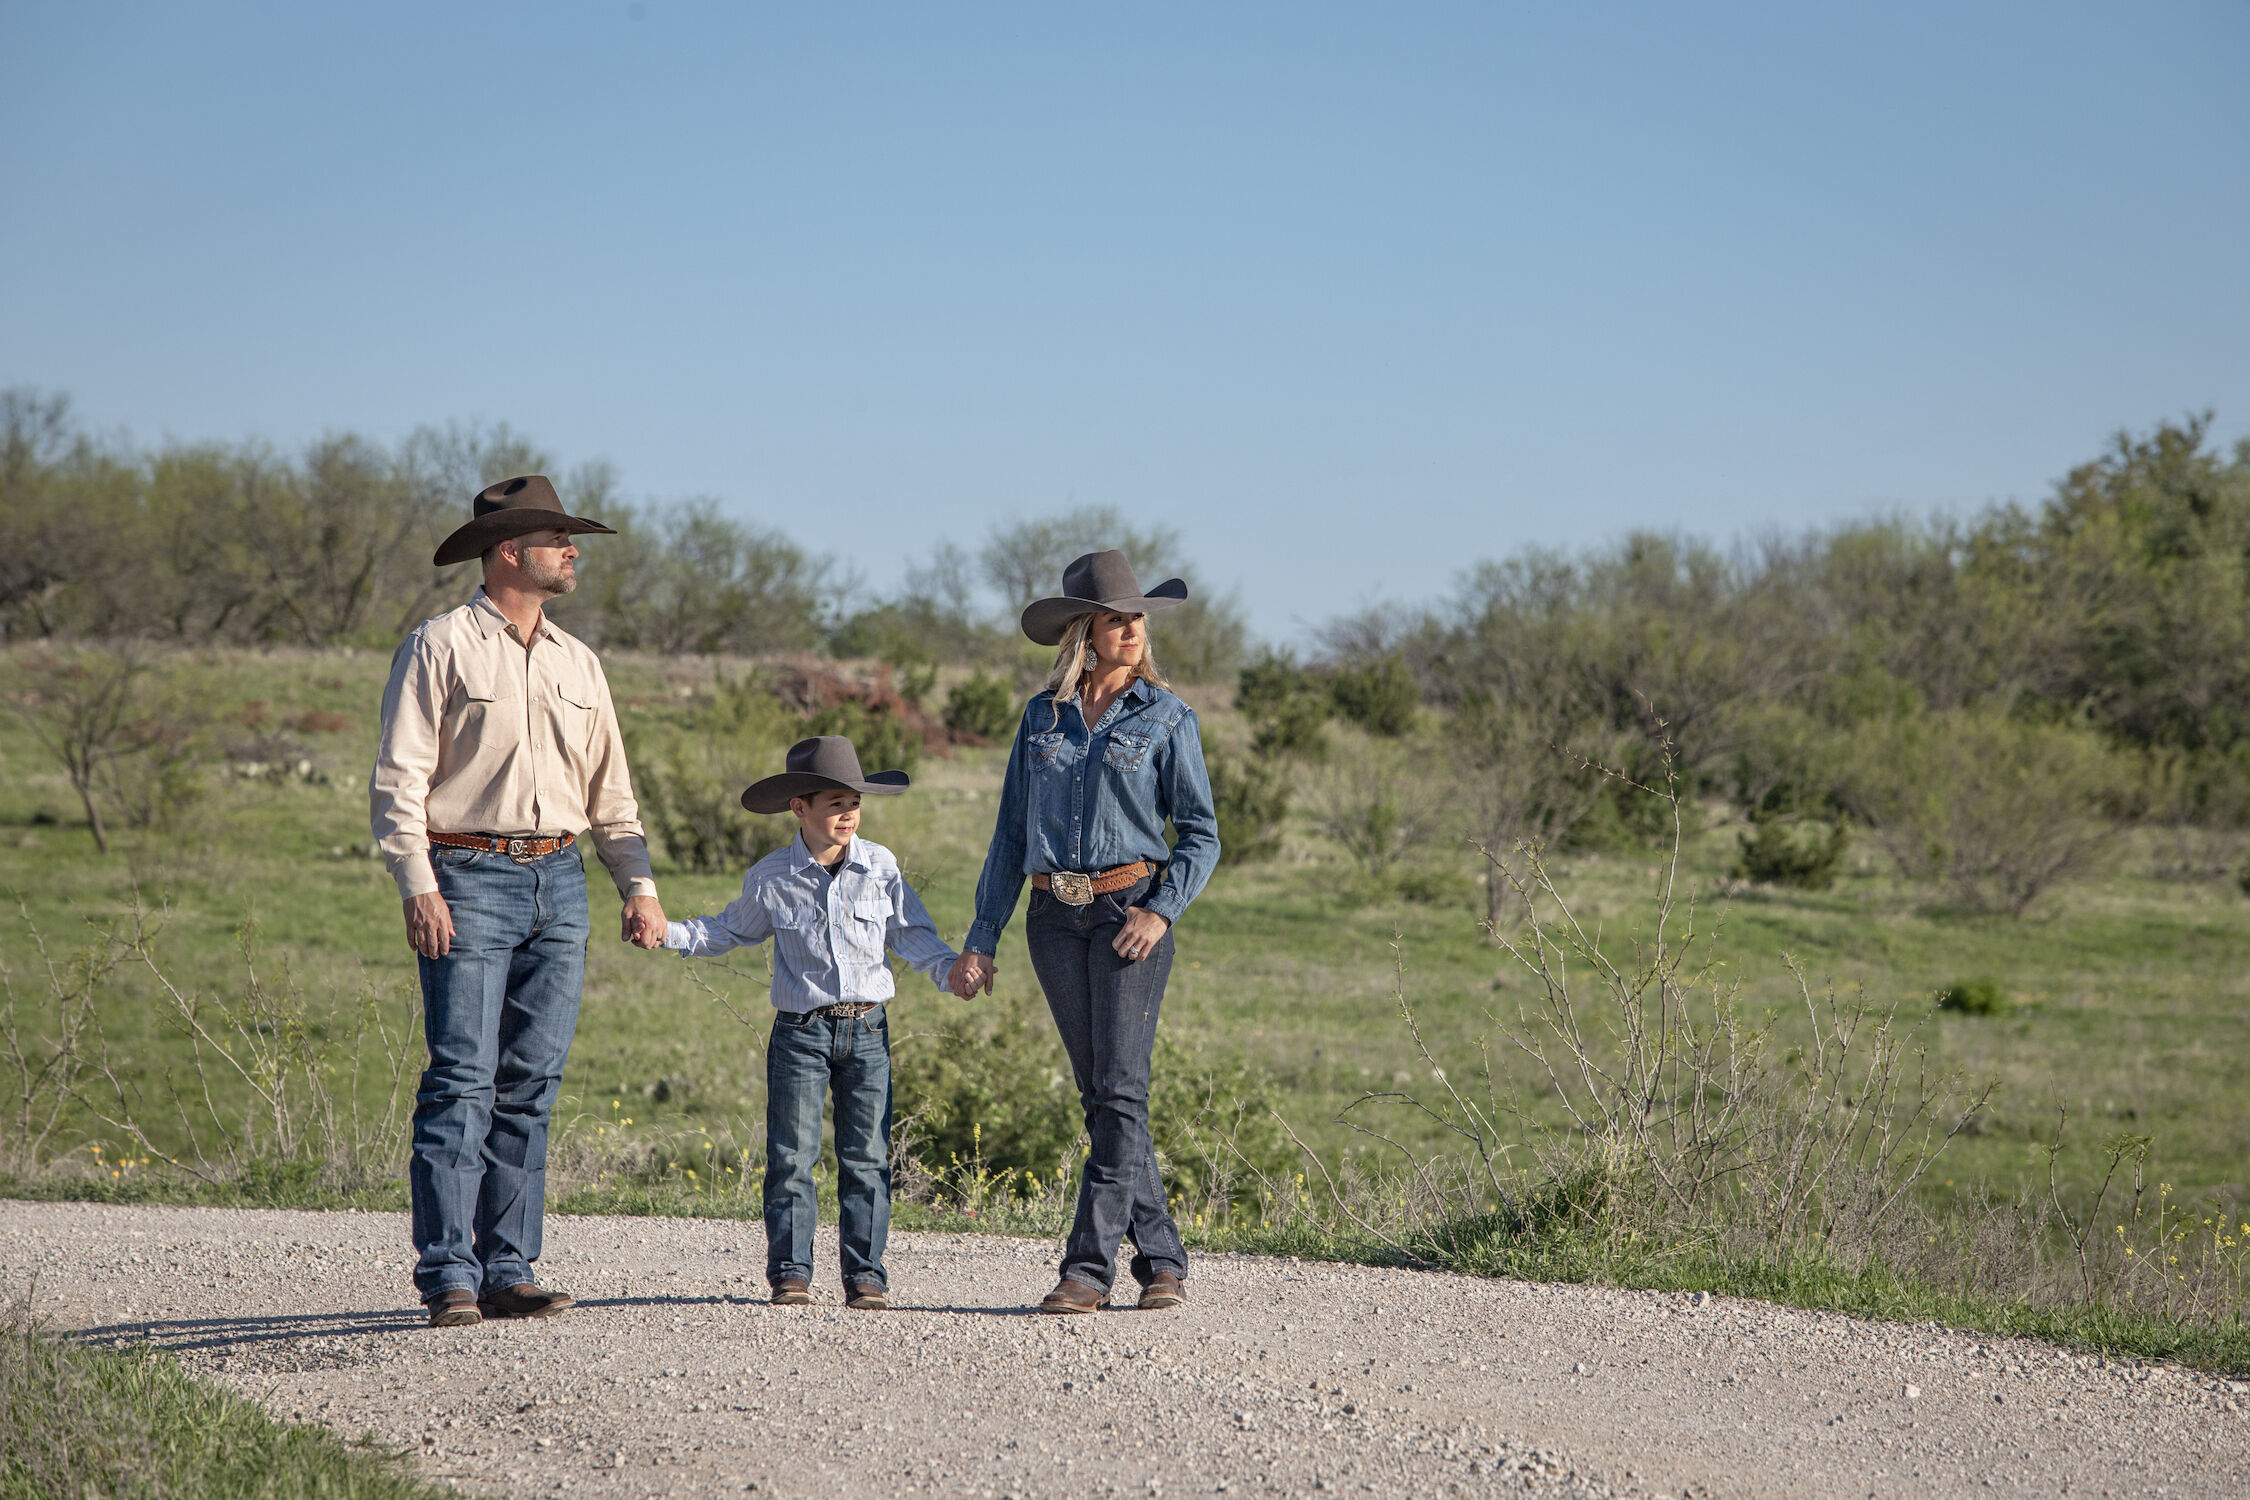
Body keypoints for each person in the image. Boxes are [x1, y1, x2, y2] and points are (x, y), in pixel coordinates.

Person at [371, 475, 668, 1329]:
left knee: (531, 1083)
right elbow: (398, 780)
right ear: (511, 551)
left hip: (561, 880)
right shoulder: (439, 647)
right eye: (558, 539)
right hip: (465, 877)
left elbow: (613, 796)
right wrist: (418, 884)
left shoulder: (581, 664)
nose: (572, 552)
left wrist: (637, 886)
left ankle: (509, 1267)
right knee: (462, 1079)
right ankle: (449, 1276)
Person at [952, 550, 1221, 1314]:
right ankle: (1162, 1258)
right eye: (1115, 618)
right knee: (1101, 1098)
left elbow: (1201, 834)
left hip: (1127, 913)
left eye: (1137, 617)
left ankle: (1088, 1270)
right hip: (1051, 918)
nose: (1131, 629)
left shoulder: (1168, 718)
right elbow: (1010, 835)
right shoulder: (1041, 717)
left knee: (1121, 1092)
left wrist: (1159, 910)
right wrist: (982, 937)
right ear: (1085, 631)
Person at [661, 735, 966, 1310]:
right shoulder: (772, 875)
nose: (847, 813)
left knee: (868, 1158)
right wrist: (669, 932)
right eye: (833, 802)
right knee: (792, 1157)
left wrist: (949, 970)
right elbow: (730, 930)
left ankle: (866, 1278)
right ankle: (791, 1275)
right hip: (800, 1033)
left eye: (854, 801)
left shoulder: (881, 866)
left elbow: (910, 933)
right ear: (799, 807)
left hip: (868, 1028)